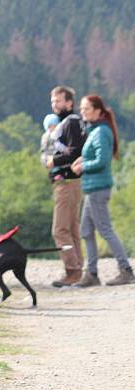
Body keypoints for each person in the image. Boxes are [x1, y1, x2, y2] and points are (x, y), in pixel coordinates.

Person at [70, 94, 134, 287]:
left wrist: (83, 165)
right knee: (86, 231)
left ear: (97, 110)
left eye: (85, 109)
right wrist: (83, 159)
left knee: (105, 230)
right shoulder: (97, 130)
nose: (82, 112)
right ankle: (92, 273)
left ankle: (126, 271)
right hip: (92, 188)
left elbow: (103, 160)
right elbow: (96, 156)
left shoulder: (101, 132)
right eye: (81, 109)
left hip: (98, 189)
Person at [45, 86, 85, 287]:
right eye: (53, 101)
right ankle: (78, 268)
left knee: (59, 230)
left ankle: (72, 271)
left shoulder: (70, 123)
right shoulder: (70, 122)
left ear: (70, 102)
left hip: (67, 181)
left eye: (59, 101)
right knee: (71, 228)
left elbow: (75, 151)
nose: (55, 105)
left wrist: (54, 160)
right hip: (72, 183)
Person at [40, 113, 69, 182]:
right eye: (53, 126)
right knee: (57, 167)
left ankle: (55, 176)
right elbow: (58, 145)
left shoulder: (45, 136)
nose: (55, 128)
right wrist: (66, 150)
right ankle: (57, 176)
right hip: (52, 156)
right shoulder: (52, 135)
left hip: (47, 157)